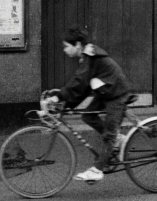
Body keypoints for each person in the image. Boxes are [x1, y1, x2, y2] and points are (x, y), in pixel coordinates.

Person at [43, 26, 131, 183]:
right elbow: (82, 88)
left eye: (66, 46)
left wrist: (58, 97)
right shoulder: (87, 55)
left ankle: (97, 170)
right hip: (106, 91)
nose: (64, 50)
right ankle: (119, 140)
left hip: (116, 94)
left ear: (77, 44)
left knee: (109, 135)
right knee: (88, 117)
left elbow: (79, 83)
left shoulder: (89, 56)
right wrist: (66, 102)